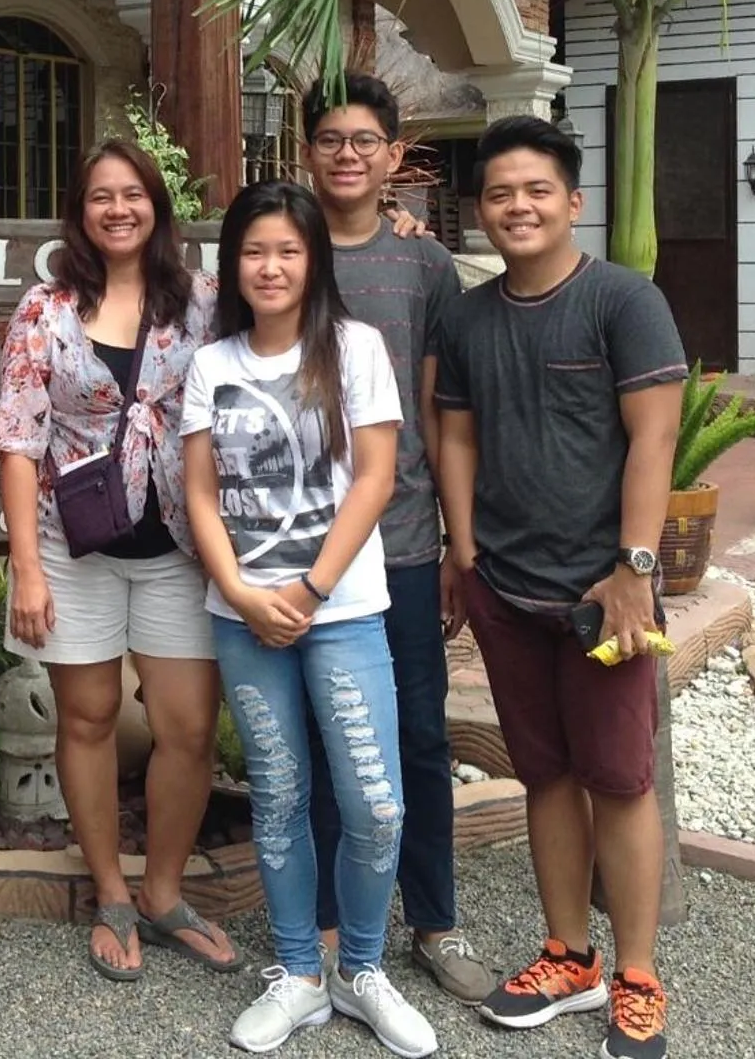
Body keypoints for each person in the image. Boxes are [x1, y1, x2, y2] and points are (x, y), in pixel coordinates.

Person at [433, 116, 687, 1059]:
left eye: (536, 190)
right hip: (504, 581)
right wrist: (464, 553)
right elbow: (454, 435)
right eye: (500, 193)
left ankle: (637, 974)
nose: (517, 207)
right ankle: (568, 953)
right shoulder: (465, 316)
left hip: (603, 591)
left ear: (573, 201)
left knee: (619, 781)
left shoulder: (625, 302)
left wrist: (635, 569)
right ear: (482, 211)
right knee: (543, 773)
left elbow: (653, 440)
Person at [182, 179, 437, 1059]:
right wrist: (246, 595)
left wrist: (312, 591)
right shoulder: (212, 365)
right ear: (232, 264)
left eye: (289, 249)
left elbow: (375, 478)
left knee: (375, 803)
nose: (271, 266)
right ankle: (297, 974)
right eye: (254, 250)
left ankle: (361, 969)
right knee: (281, 797)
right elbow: (200, 496)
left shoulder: (355, 348)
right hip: (242, 614)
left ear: (314, 260)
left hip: (346, 609)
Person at [0, 139, 238, 982]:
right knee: (88, 717)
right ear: (80, 210)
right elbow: (20, 443)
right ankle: (111, 894)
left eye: (133, 194)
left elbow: (290, 298)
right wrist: (26, 567)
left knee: (187, 725)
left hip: (177, 544)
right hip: (76, 546)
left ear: (157, 207)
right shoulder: (46, 310)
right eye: (101, 196)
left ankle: (164, 891)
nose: (119, 209)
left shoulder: (201, 304)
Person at [299, 74, 488, 1005]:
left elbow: (441, 411)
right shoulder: (283, 248)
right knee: (320, 739)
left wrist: (459, 543)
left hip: (404, 537)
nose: (346, 153)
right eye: (330, 137)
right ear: (307, 151)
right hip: (296, 541)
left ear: (392, 154)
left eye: (364, 139)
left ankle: (434, 921)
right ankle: (333, 936)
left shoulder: (426, 264)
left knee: (416, 736)